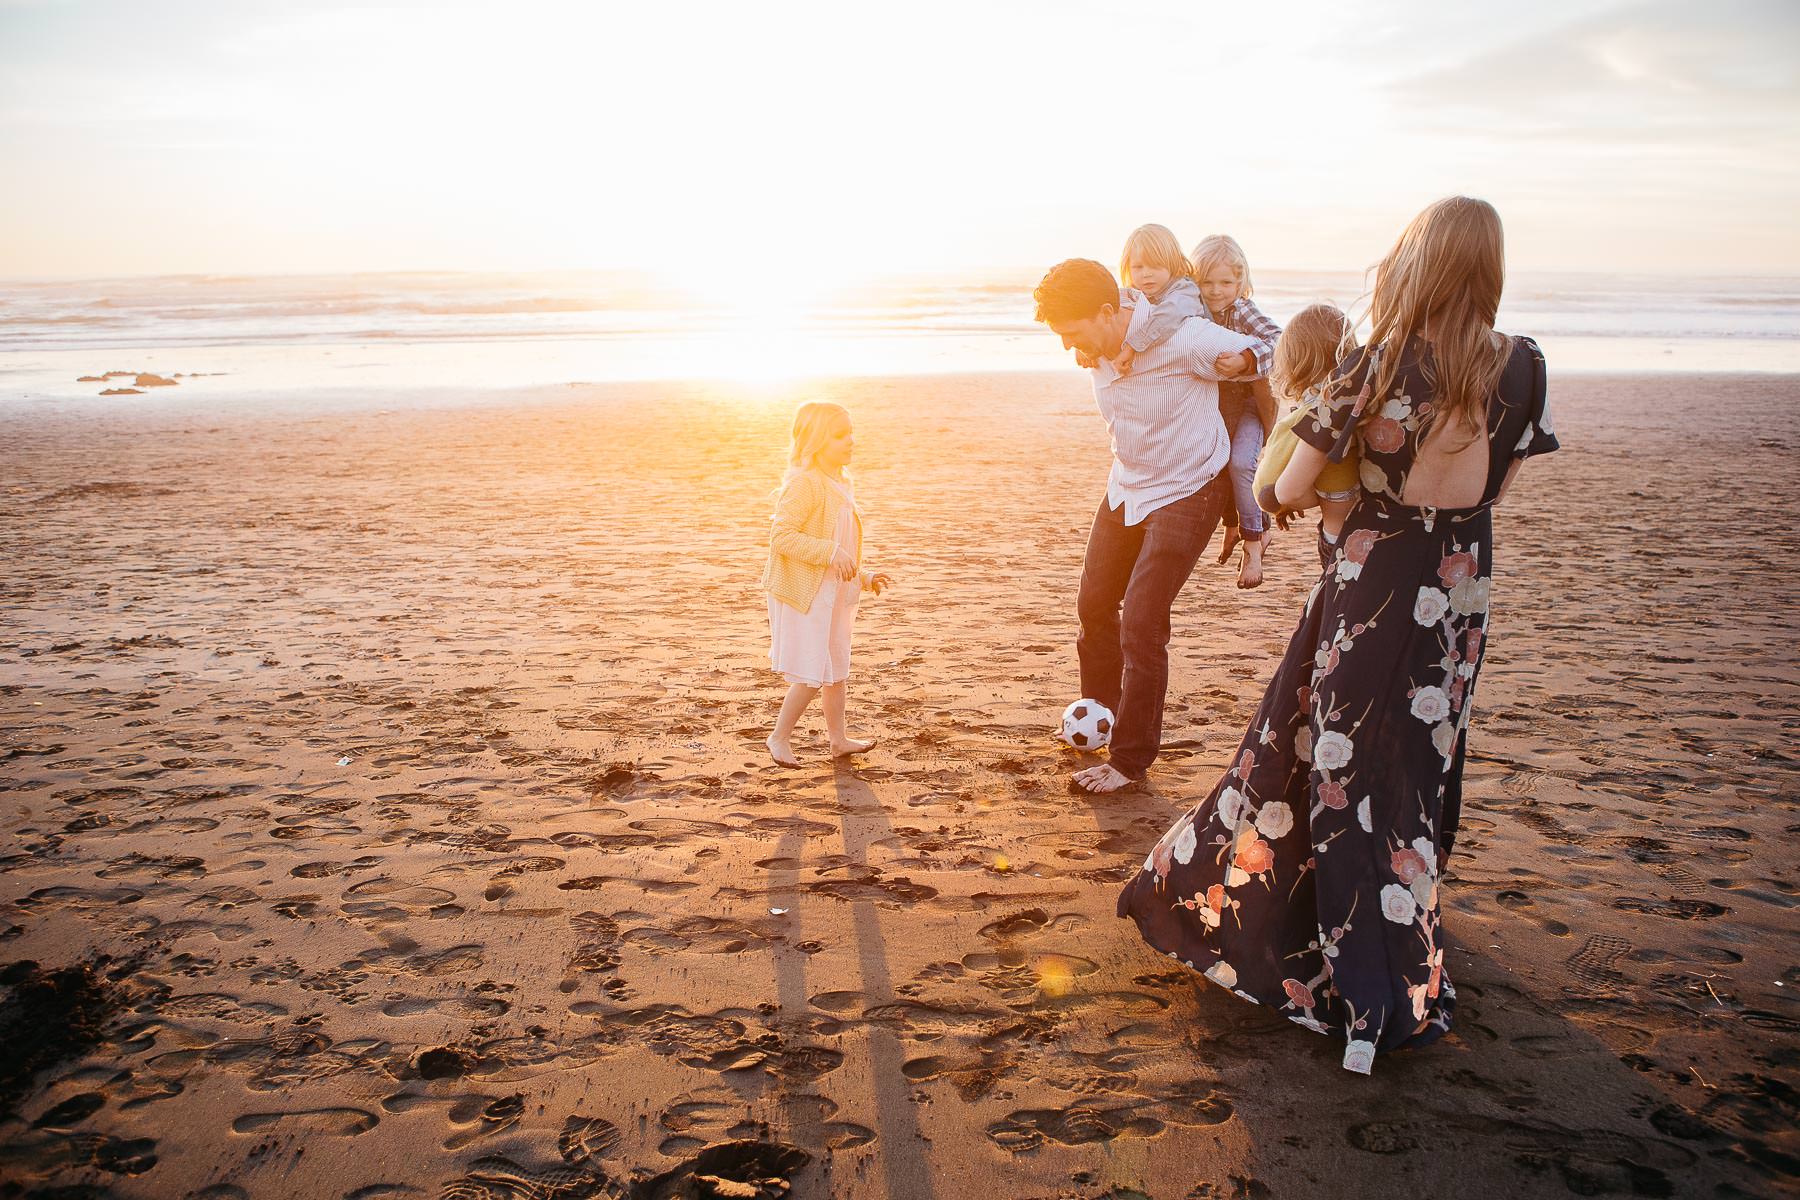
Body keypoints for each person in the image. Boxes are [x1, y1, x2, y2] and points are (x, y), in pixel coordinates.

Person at [1115, 197, 1558, 1074]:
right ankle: (1406, 946)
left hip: (1373, 578)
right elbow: (1498, 487)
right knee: (1416, 765)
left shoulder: (1377, 359)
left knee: (1331, 763)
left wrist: (1310, 490)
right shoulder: (1526, 366)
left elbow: (1289, 488)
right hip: (1460, 589)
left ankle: (1357, 992)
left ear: (1418, 263)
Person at [1033, 258, 1266, 794]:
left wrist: (1243, 359)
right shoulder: (1097, 348)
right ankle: (1099, 716)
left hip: (1190, 485)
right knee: (1094, 605)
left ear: (1108, 311)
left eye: (1073, 332)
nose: (1069, 347)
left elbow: (1272, 354)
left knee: (1141, 620)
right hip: (1128, 484)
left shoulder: (1185, 337)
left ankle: (1130, 760)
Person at [763, 402, 893, 767]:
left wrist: (864, 576)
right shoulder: (806, 484)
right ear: (817, 441)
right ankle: (778, 737)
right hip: (806, 593)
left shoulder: (841, 483)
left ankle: (838, 740)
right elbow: (781, 537)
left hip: (834, 592)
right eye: (839, 435)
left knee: (836, 670)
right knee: (810, 673)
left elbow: (843, 548)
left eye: (851, 432)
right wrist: (828, 551)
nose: (850, 441)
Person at [1191, 235, 1283, 589]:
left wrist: (1246, 359)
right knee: (1216, 463)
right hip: (1212, 403)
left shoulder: (1242, 309)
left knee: (1243, 462)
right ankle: (1233, 524)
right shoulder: (1194, 311)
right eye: (1207, 282)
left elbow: (1278, 341)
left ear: (1240, 282)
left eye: (1226, 282)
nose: (1216, 291)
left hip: (1247, 403)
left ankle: (1255, 543)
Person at [1254, 302, 1362, 570]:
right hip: (1375, 528)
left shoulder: (1321, 413)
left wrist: (1282, 503)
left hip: (1339, 539)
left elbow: (1285, 493)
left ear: (1296, 361)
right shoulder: (1361, 400)